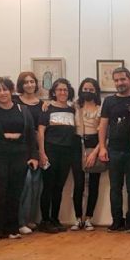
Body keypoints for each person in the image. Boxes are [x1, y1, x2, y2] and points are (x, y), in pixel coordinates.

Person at [0, 78, 39, 241]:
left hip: (19, 155)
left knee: (15, 193)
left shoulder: (23, 110)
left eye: (5, 89)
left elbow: (31, 135)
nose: (2, 93)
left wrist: (34, 156)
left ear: (11, 91)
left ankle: (12, 228)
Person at [98, 67, 130, 232]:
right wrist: (102, 147)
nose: (119, 83)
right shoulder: (109, 101)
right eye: (116, 80)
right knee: (115, 188)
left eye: (123, 79)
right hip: (114, 151)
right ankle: (117, 221)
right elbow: (103, 125)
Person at [37, 79, 76, 234]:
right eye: (59, 90)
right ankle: (45, 221)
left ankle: (55, 218)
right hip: (50, 151)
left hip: (66, 153)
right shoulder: (47, 108)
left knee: (59, 188)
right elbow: (40, 132)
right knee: (48, 187)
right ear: (54, 92)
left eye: (65, 90)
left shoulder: (72, 110)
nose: (62, 92)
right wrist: (42, 153)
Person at [71, 78, 103, 232]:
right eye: (85, 89)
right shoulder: (74, 106)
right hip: (77, 146)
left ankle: (89, 218)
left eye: (91, 89)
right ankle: (78, 218)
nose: (88, 92)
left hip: (95, 145)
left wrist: (95, 152)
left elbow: (104, 133)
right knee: (78, 184)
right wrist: (46, 104)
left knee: (94, 184)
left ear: (96, 91)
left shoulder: (100, 109)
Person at [14, 71, 43, 235]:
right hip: (20, 148)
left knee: (36, 185)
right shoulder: (15, 101)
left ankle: (30, 218)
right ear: (21, 85)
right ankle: (20, 221)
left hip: (36, 148)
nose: (29, 85)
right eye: (26, 82)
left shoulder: (42, 104)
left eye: (32, 81)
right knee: (24, 184)